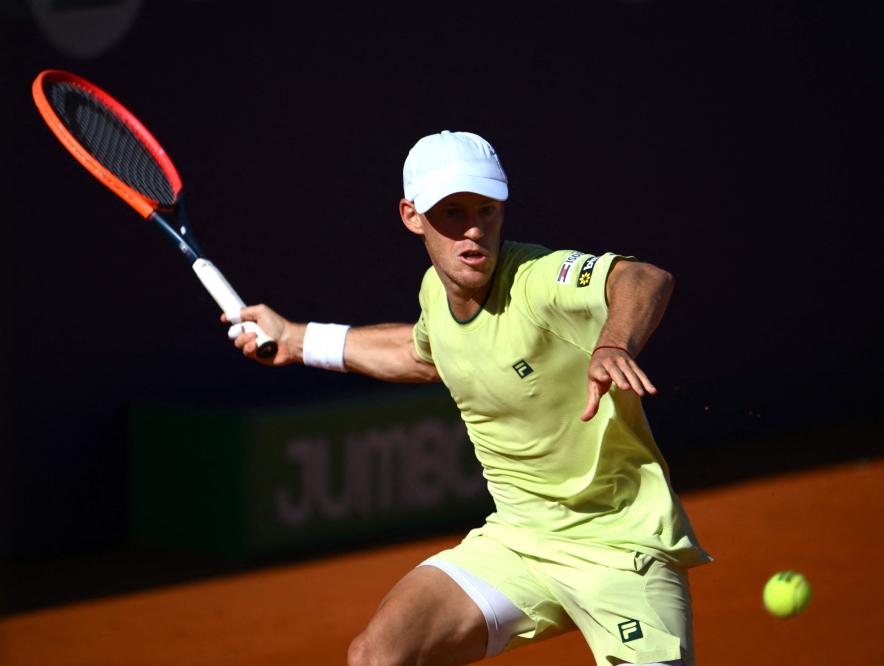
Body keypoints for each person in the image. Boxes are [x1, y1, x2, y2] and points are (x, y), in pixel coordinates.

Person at [229, 131, 711, 666]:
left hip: (622, 548)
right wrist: (298, 340)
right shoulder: (436, 292)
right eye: (452, 213)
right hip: (519, 542)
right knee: (378, 656)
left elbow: (643, 277)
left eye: (486, 209)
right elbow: (424, 354)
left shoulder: (536, 278)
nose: (474, 229)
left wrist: (613, 342)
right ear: (412, 216)